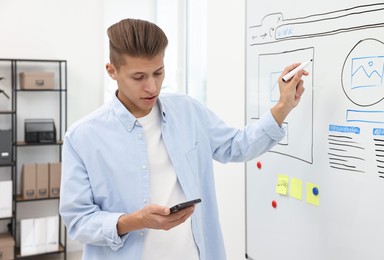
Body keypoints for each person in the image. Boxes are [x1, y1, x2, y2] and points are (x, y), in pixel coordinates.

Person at [59, 18, 308, 260]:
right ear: (112, 71)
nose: (152, 87)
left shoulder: (187, 111)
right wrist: (135, 221)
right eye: (138, 77)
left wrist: (284, 105)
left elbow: (236, 146)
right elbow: (78, 220)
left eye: (158, 72)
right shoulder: (83, 137)